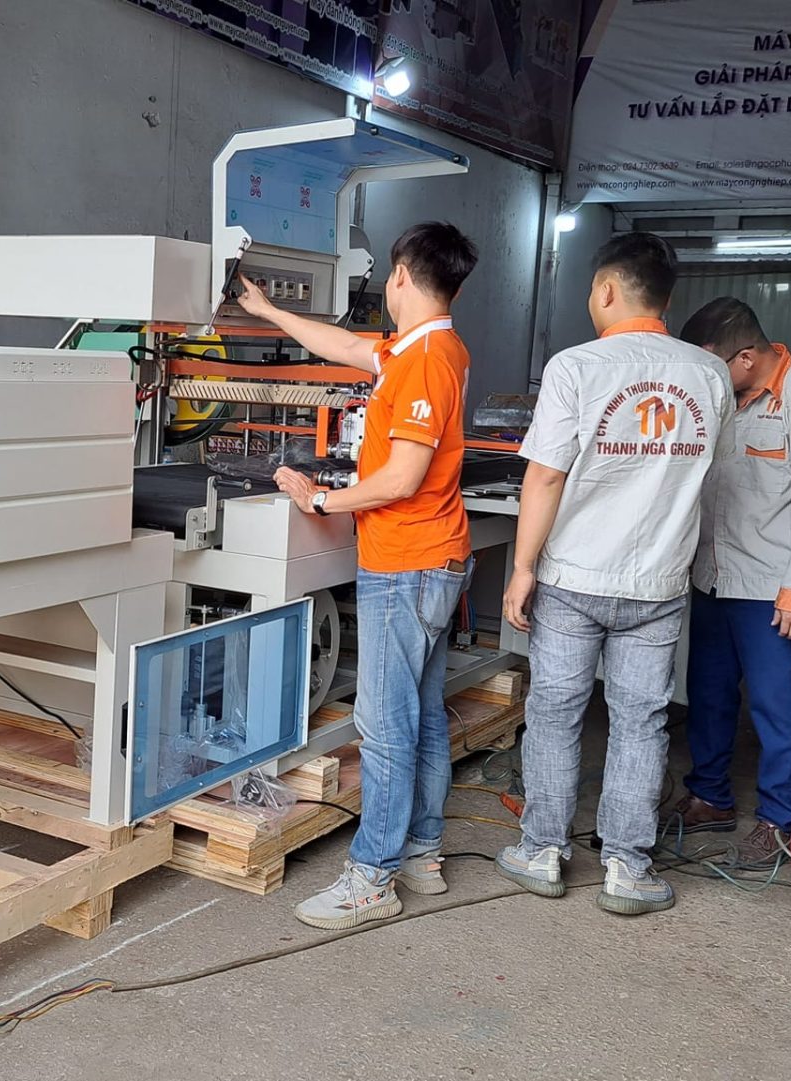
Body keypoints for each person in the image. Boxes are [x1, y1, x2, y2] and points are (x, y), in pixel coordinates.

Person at [234, 221, 479, 929]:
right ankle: (422, 851)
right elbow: (343, 347)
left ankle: (373, 876)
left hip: (406, 563)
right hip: (430, 559)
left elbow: (401, 477)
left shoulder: (425, 359)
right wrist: (268, 311)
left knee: (385, 726)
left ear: (399, 275)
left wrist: (320, 499)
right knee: (422, 717)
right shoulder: (424, 347)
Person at [497, 232, 732, 915]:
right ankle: (628, 867)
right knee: (641, 722)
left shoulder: (576, 366)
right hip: (659, 581)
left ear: (605, 289)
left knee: (555, 712)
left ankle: (542, 850)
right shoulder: (710, 374)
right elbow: (707, 474)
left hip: (574, 577)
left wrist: (521, 568)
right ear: (665, 298)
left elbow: (545, 476)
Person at [670, 297, 791, 868]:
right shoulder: (723, 398)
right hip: (714, 577)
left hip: (773, 588)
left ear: (745, 358)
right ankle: (710, 796)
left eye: (713, 366)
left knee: (777, 705)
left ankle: (780, 818)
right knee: (708, 693)